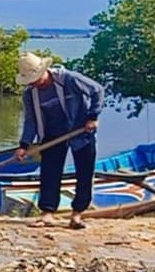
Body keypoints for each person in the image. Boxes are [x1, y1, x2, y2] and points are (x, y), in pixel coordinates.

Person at [13, 52, 104, 230]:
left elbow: (97, 91)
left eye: (36, 79)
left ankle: (77, 214)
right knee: (49, 174)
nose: (35, 83)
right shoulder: (30, 95)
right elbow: (30, 121)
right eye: (31, 81)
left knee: (84, 173)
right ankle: (47, 214)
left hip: (79, 130)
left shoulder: (69, 79)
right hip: (52, 136)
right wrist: (24, 145)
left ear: (44, 71)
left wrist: (92, 116)